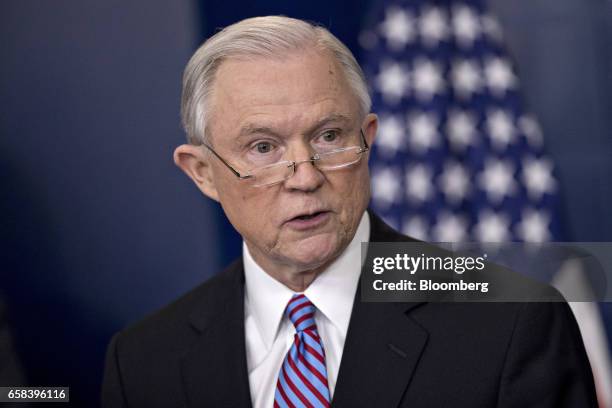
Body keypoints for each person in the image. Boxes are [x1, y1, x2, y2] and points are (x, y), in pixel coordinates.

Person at [101, 16, 597, 407]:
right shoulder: (145, 360)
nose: (305, 176)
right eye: (263, 148)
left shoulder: (512, 322)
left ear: (369, 139)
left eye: (329, 136)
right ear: (203, 173)